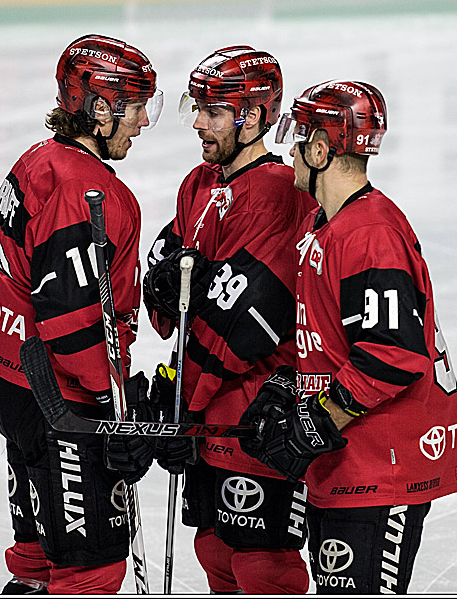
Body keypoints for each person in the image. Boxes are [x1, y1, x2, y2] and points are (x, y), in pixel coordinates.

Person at [239, 80, 457, 594]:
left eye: (299, 140)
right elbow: (330, 343)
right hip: (348, 465)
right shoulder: (327, 224)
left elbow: (394, 356)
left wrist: (320, 418)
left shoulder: (370, 234)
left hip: (384, 469)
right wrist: (289, 388)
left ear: (321, 150)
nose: (290, 150)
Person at [0, 34, 163, 594]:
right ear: (100, 108)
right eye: (136, 105)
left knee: (35, 558)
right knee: (90, 571)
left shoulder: (38, 161)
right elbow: (73, 313)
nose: (145, 120)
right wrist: (112, 402)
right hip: (64, 401)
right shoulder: (85, 187)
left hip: (12, 379)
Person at [141, 46, 316, 594]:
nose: (197, 122)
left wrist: (182, 415)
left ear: (257, 117)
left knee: (262, 557)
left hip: (258, 409)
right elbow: (166, 291)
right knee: (214, 546)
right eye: (197, 107)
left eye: (214, 111)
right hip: (209, 399)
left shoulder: (277, 194)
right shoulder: (198, 183)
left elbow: (240, 326)